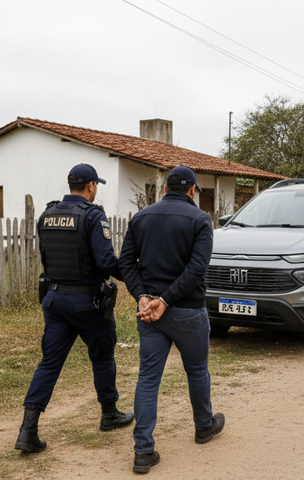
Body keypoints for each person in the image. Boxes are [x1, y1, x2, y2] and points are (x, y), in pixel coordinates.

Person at [15, 163, 134, 454]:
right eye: (96, 186)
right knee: (102, 356)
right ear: (91, 186)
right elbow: (105, 262)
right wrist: (132, 273)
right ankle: (109, 414)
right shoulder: (93, 215)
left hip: (54, 300)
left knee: (49, 363)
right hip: (87, 303)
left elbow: (47, 257)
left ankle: (28, 430)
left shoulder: (47, 214)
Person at [119, 165, 225, 474]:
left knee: (148, 379)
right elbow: (197, 269)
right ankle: (203, 426)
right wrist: (166, 300)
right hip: (187, 310)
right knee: (197, 371)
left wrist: (142, 296)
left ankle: (143, 451)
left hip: (150, 312)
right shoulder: (200, 220)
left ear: (166, 189)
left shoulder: (141, 217)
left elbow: (126, 262)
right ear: (192, 190)